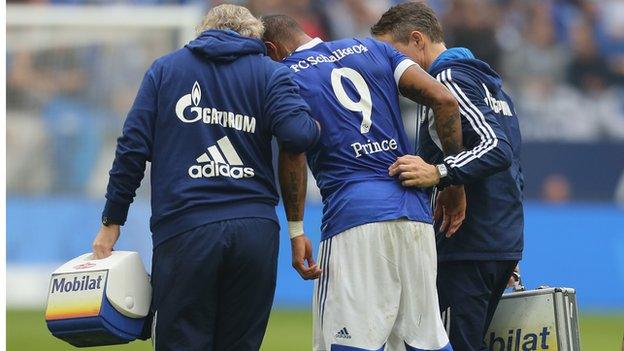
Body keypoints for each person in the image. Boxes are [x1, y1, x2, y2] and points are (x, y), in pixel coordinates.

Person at [90, 5, 321, 351]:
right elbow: (298, 136)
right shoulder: (270, 73)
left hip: (186, 229)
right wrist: (314, 123)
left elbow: (132, 149)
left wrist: (112, 222)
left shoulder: (165, 70)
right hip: (254, 233)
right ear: (253, 37)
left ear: (203, 33)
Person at [262, 14, 464, 351]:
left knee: (346, 342)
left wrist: (296, 231)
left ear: (271, 49)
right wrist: (453, 182)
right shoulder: (373, 48)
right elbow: (445, 100)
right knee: (425, 341)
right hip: (414, 215)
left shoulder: (283, 75)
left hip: (355, 218)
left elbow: (294, 148)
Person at [372, 3, 524, 351]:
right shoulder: (492, 88)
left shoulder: (447, 79)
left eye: (391, 53)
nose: (387, 66)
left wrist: (440, 172)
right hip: (494, 242)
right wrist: (504, 250)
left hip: (467, 245)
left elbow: (496, 147)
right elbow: (513, 169)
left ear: (417, 40)